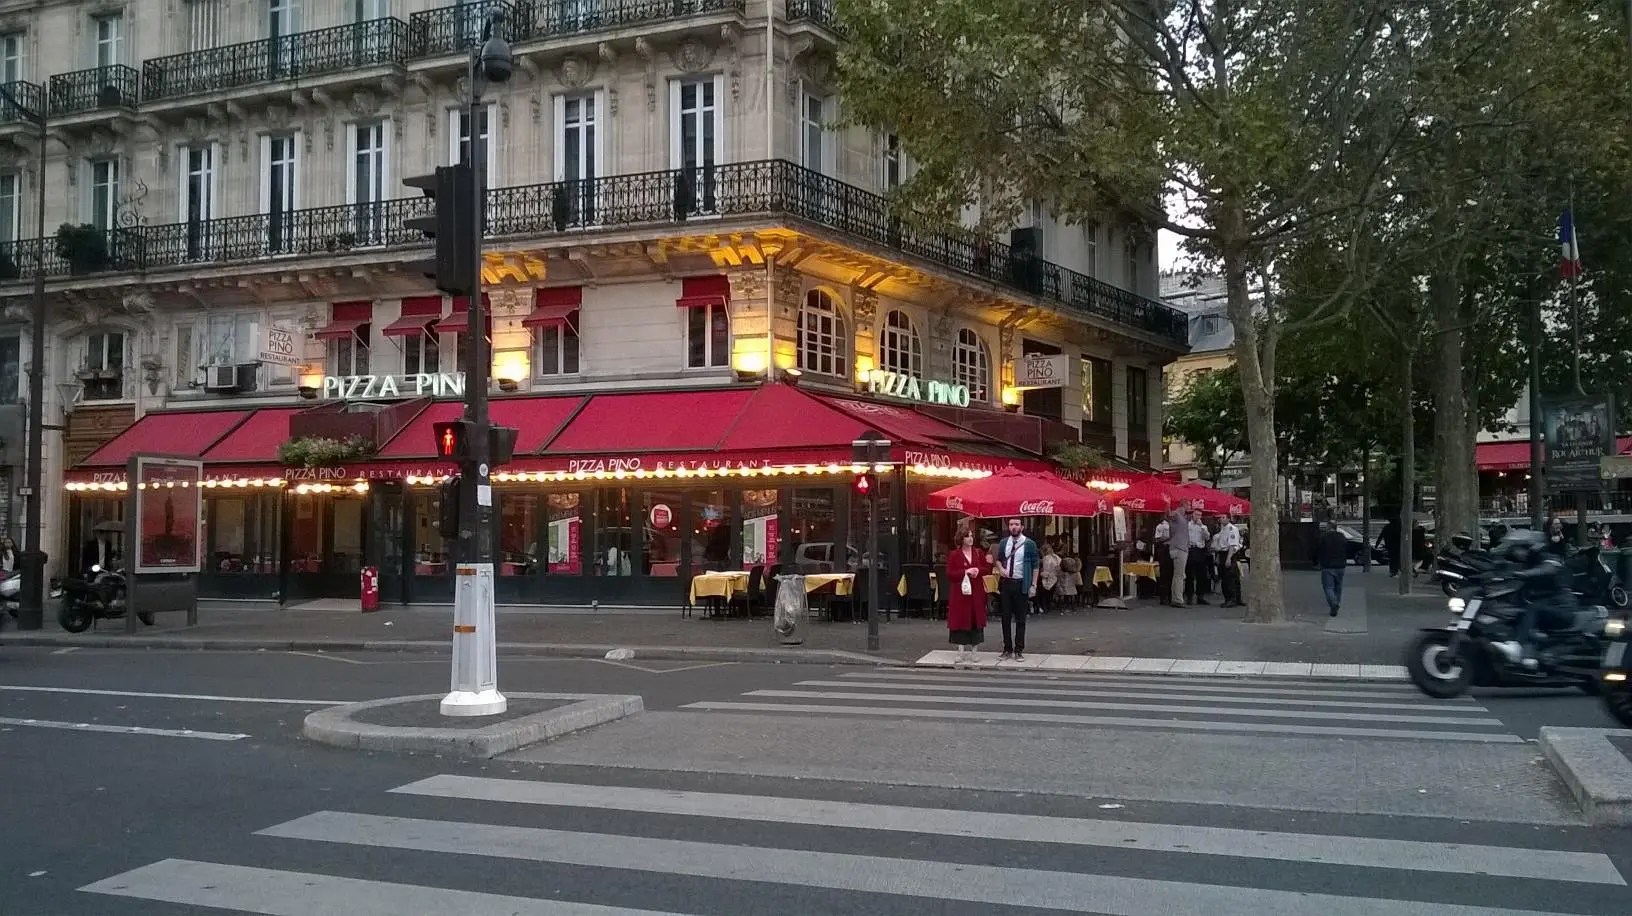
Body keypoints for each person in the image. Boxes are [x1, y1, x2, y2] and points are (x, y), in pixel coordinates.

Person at [1492, 530, 1575, 667]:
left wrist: (1526, 574)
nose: (1516, 553)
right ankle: (1527, 654)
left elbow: (1549, 568)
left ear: (1528, 547)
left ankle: (1516, 647)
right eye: (1514, 549)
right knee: (1517, 612)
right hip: (1546, 607)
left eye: (1518, 548)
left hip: (1561, 608)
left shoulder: (1546, 556)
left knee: (1533, 609)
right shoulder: (1526, 562)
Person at [991, 518, 1039, 660]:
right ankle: (1007, 648)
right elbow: (998, 560)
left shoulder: (1029, 544)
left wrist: (1033, 585)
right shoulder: (1004, 543)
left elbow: (1035, 566)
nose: (1014, 527)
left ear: (1022, 527)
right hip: (1006, 583)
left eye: (1017, 524)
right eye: (1011, 524)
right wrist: (1001, 569)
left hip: (1021, 583)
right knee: (1005, 617)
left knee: (1020, 618)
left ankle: (1019, 649)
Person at [945, 524, 989, 663]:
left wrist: (978, 571)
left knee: (975, 620)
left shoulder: (978, 553)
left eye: (971, 536)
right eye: (967, 536)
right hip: (960, 593)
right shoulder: (954, 555)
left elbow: (986, 568)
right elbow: (950, 573)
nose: (970, 539)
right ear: (961, 539)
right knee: (960, 620)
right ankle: (960, 652)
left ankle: (974, 652)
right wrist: (965, 571)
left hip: (976, 592)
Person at [1315, 519, 1349, 617]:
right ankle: (1337, 602)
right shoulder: (1342, 536)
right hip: (1341, 565)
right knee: (1338, 586)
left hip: (1328, 565)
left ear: (1329, 527)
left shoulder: (1324, 537)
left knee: (1328, 587)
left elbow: (1318, 549)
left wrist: (1317, 561)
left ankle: (1334, 603)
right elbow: (1346, 548)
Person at [1215, 514, 1243, 607]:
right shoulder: (1222, 529)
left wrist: (1228, 558)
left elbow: (1232, 544)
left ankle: (1232, 599)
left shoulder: (1232, 529)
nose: (1221, 519)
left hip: (1229, 553)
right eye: (1220, 517)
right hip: (1222, 552)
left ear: (1228, 519)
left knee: (1229, 577)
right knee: (1226, 577)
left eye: (1223, 517)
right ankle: (1233, 598)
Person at [1184, 510, 1211, 605]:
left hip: (1200, 550)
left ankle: (1200, 596)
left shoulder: (1204, 527)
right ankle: (1189, 596)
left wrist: (1202, 527)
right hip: (1190, 549)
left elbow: (1207, 538)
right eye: (1196, 514)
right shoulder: (1187, 525)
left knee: (1201, 575)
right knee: (1189, 574)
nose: (1198, 517)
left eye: (1199, 515)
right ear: (1192, 515)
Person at [1167, 508, 1190, 606]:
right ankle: (1178, 599)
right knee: (1179, 575)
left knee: (1178, 575)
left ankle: (1175, 597)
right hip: (1179, 548)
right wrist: (1170, 507)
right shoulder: (1178, 517)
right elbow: (1171, 514)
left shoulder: (1182, 520)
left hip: (1179, 547)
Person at [1153, 515, 1173, 605]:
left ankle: (1171, 596)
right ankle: (1163, 597)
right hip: (1164, 549)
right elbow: (1157, 539)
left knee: (1172, 573)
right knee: (1164, 573)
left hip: (1173, 549)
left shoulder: (1175, 525)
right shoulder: (1161, 526)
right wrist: (1169, 537)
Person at [1038, 542, 1061, 614]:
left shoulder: (1046, 558)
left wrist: (1042, 574)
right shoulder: (1056, 557)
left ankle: (1045, 606)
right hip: (1054, 578)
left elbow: (1046, 569)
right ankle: (1048, 606)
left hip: (1047, 578)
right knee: (1049, 593)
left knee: (1045, 593)